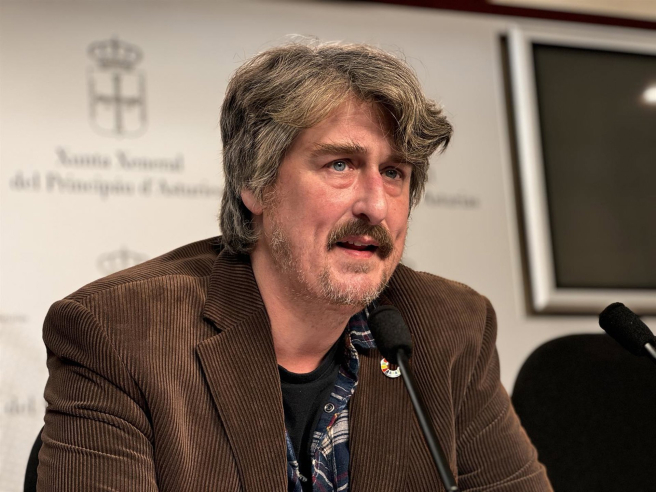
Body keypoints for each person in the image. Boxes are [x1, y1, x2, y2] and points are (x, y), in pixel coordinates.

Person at [38, 42, 552, 491]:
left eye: (394, 172)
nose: (376, 206)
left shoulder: (450, 328)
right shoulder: (121, 333)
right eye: (340, 165)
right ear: (256, 183)